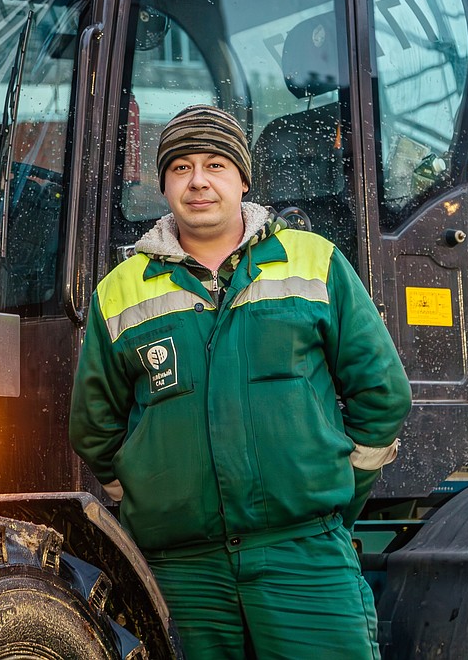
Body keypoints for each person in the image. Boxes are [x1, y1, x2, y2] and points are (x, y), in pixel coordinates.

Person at [69, 104, 412, 658]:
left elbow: (381, 392)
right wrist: (149, 501)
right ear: (163, 185)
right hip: (182, 572)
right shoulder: (120, 291)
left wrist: (337, 491)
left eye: (214, 165)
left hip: (303, 557)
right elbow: (95, 426)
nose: (198, 181)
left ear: (243, 179)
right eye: (180, 168)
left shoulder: (314, 262)